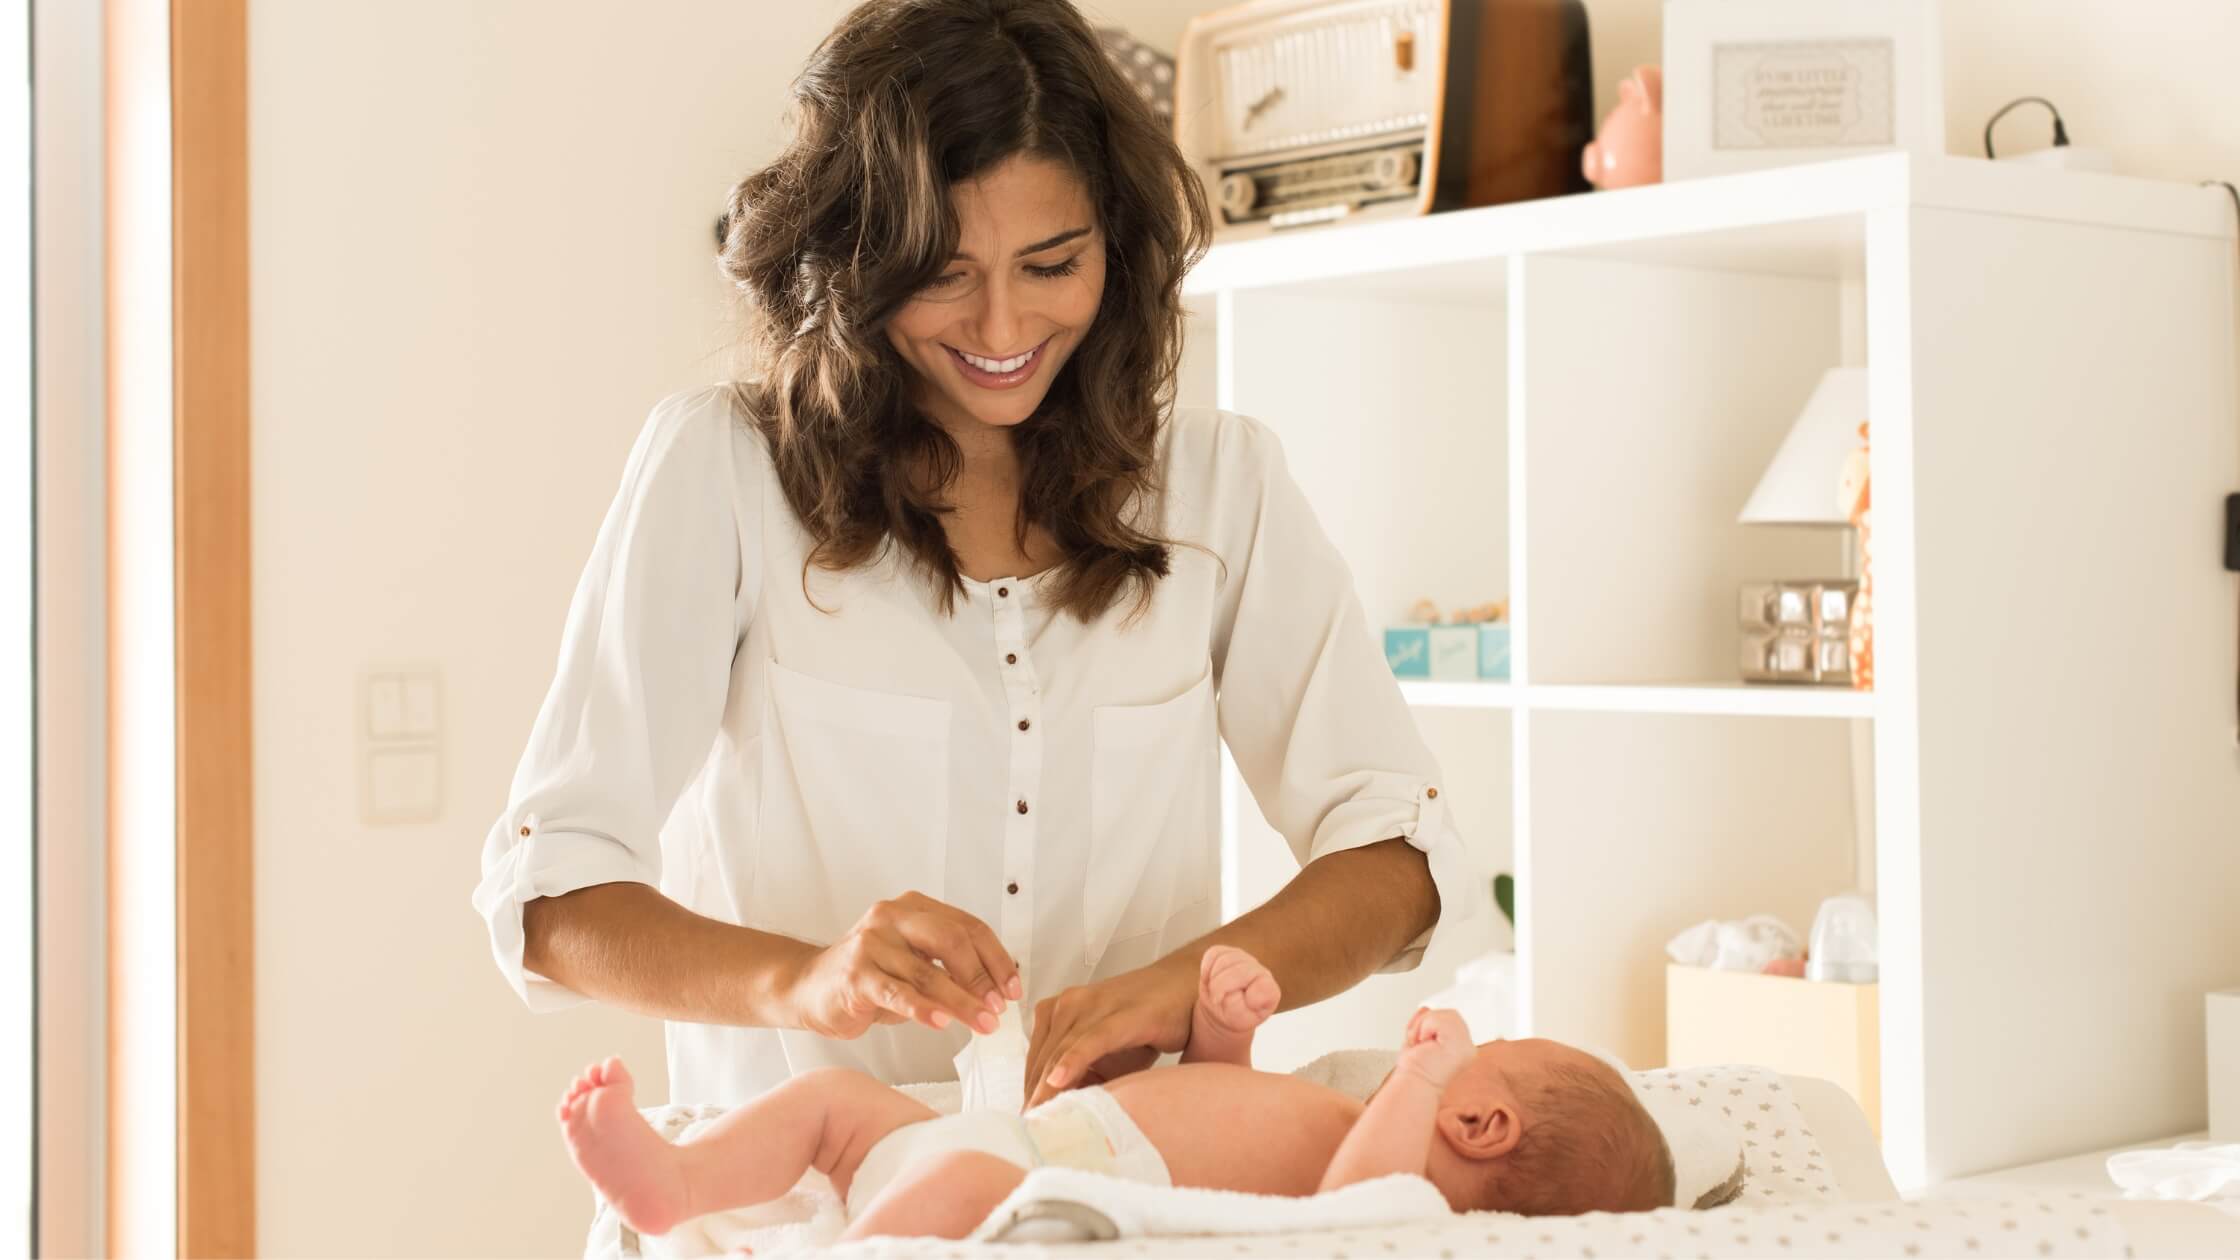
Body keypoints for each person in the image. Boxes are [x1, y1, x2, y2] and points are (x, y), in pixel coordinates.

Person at [472, 0, 1476, 1113]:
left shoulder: (1217, 486)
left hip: (1114, 1175)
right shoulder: (726, 471)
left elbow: (1399, 857)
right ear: (852, 261)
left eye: (1052, 264)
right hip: (808, 1185)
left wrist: (1178, 988)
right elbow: (551, 896)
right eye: (944, 274)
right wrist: (805, 981)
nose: (1001, 331)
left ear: (1116, 251)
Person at [555, 946, 1676, 1242]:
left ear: (1478, 1122)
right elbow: (1224, 1116)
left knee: (957, 1179)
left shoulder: (1396, 1197)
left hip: (1029, 1180)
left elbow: (1347, 1213)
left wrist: (1424, 1072)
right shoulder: (1342, 1125)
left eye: (1488, 1053)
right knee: (833, 1103)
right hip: (1012, 1136)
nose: (1437, 1052)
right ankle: (679, 1182)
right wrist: (1224, 1034)